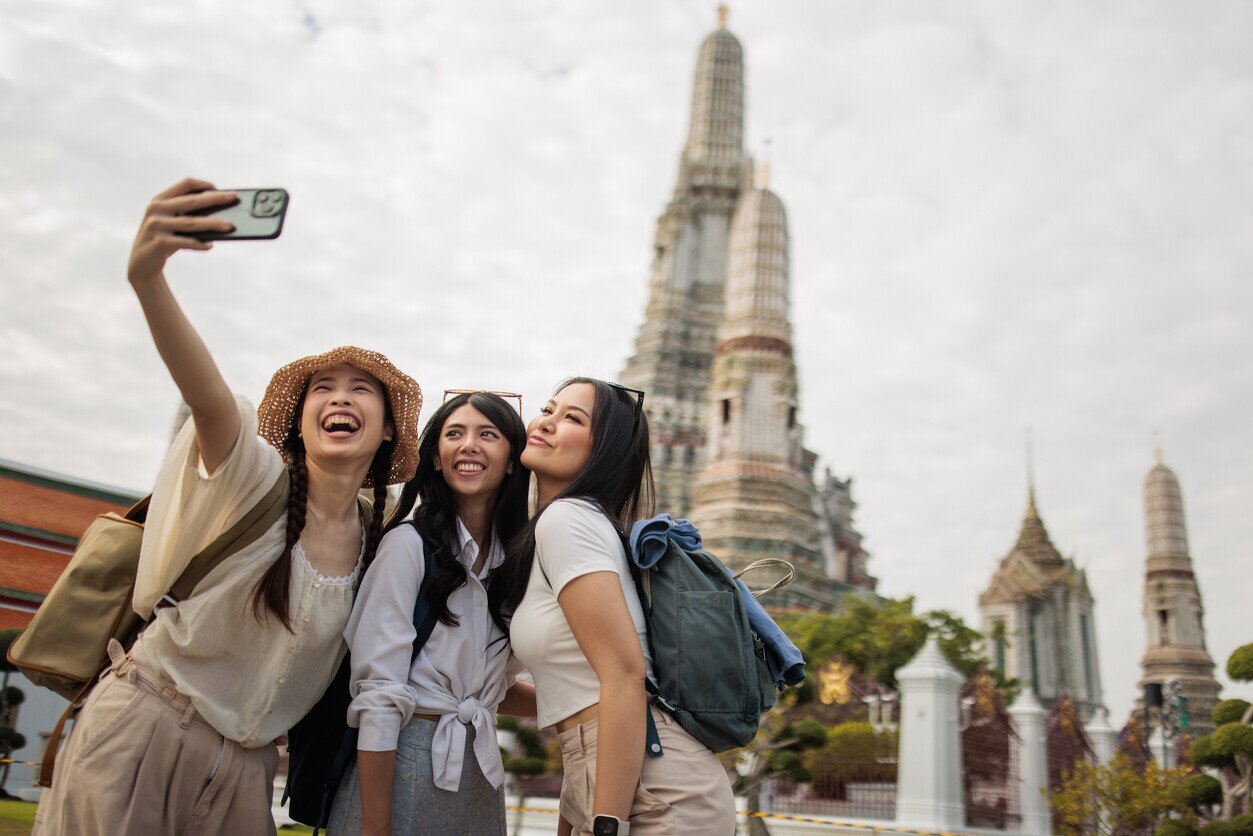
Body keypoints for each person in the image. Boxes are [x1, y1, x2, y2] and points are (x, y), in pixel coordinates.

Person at [34, 178, 423, 835]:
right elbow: (208, 395)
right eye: (322, 389)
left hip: (247, 769)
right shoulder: (254, 476)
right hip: (146, 726)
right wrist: (148, 278)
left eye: (361, 390)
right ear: (297, 421)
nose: (340, 398)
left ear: (387, 429)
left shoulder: (380, 531)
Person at [491, 379, 736, 836]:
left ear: (605, 449)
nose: (546, 421)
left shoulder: (567, 521)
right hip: (607, 769)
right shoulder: (567, 525)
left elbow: (625, 676)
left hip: (657, 792)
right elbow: (572, 690)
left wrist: (608, 826)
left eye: (572, 418)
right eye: (549, 408)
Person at [329, 391, 537, 835]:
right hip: (404, 762)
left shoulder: (514, 561)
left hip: (478, 773)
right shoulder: (408, 545)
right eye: (454, 434)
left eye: (488, 434)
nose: (469, 445)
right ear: (438, 459)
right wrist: (375, 826)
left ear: (512, 459)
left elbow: (495, 687)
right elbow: (379, 693)